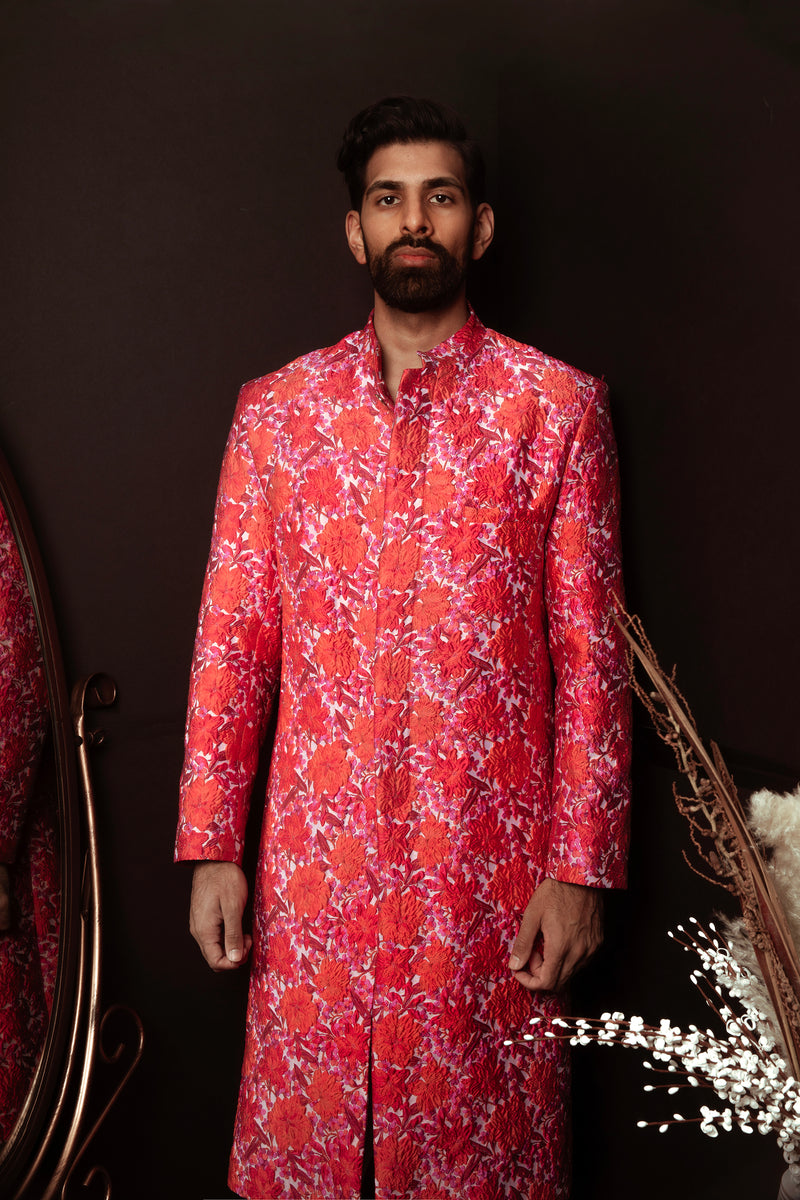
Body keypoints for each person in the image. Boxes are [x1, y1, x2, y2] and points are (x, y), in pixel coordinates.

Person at [176, 96, 630, 1200]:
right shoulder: (274, 417)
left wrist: (580, 872)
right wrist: (211, 846)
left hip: (483, 885)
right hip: (313, 881)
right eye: (387, 198)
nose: (412, 219)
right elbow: (234, 641)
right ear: (354, 231)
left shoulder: (554, 410)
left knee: (484, 1165)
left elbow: (592, 662)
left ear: (478, 228)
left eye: (438, 196)